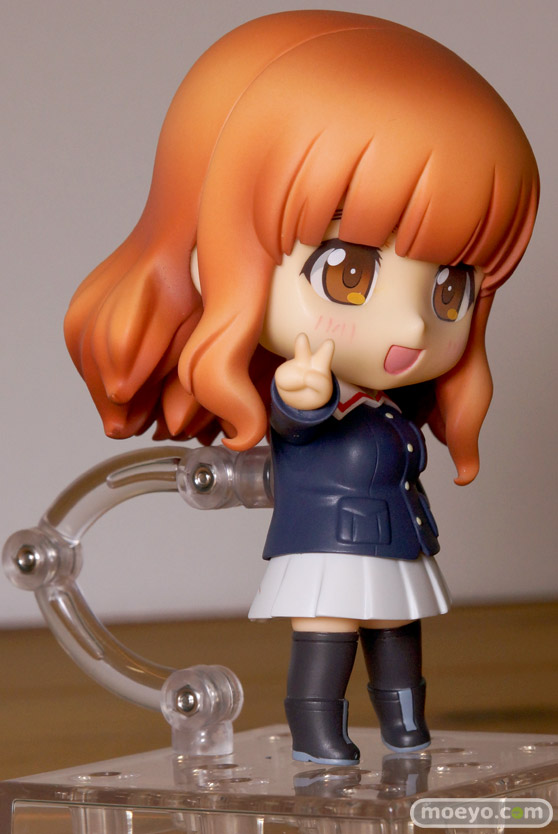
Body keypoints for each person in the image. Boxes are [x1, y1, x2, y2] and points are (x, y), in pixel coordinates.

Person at [64, 11, 539, 764]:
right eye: (349, 274)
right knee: (328, 634)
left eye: (450, 288)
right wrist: (301, 398)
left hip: (397, 540)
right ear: (216, 249)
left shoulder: (392, 404)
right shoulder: (311, 389)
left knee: (398, 632)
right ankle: (319, 733)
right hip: (329, 543)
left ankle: (406, 726)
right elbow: (295, 424)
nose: (412, 325)